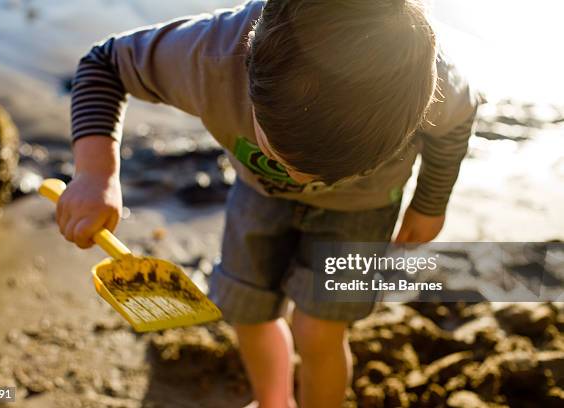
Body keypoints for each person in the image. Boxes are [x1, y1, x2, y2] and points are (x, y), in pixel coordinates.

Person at [56, 1, 484, 406]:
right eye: (280, 154)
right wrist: (95, 173)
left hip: (361, 212)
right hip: (257, 194)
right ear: (252, 77)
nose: (302, 180)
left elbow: (458, 124)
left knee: (319, 330)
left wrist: (430, 203)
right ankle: (273, 400)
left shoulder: (433, 80)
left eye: (333, 171)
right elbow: (105, 64)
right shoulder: (211, 55)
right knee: (248, 311)